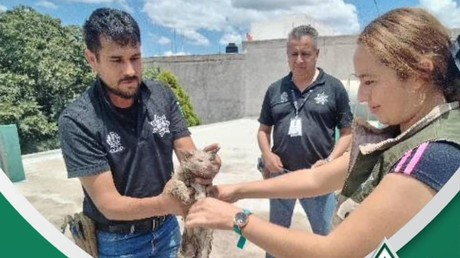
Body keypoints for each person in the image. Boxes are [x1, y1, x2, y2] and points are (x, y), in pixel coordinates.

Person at [184, 8, 460, 258]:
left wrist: (236, 219)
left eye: (370, 81)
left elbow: (331, 252)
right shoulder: (408, 134)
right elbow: (317, 178)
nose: (362, 96)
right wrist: (238, 190)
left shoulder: (430, 157)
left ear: (420, 73)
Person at [58, 8, 220, 258]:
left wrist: (205, 164)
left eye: (135, 57)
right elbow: (108, 204)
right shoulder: (79, 121)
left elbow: (187, 154)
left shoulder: (161, 95)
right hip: (118, 243)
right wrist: (164, 204)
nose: (130, 70)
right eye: (117, 60)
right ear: (92, 59)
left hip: (167, 231)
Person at [256, 24, 353, 249]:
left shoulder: (334, 88)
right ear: (287, 55)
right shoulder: (275, 89)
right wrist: (267, 154)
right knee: (275, 240)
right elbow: (263, 130)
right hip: (281, 177)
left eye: (306, 54)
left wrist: (329, 162)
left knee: (328, 240)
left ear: (317, 54)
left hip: (318, 178)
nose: (299, 60)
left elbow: (347, 133)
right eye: (294, 54)